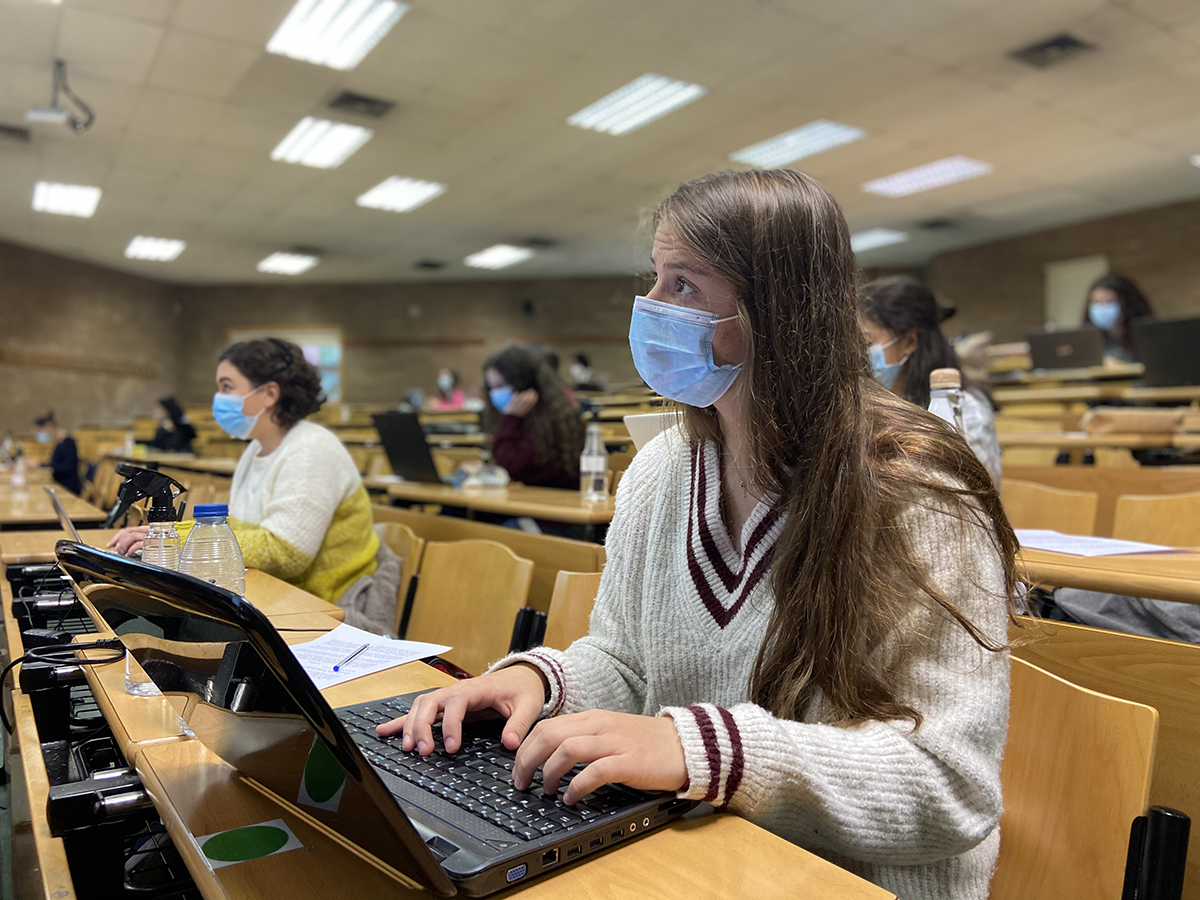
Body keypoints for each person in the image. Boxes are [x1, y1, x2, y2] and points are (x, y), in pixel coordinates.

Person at [379, 170, 1020, 900]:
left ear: (777, 308)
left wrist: (702, 749)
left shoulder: (921, 491)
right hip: (698, 849)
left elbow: (949, 786)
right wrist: (536, 684)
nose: (650, 308)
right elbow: (625, 659)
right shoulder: (663, 468)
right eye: (655, 279)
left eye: (682, 285)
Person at [109, 338, 398, 633]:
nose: (219, 398)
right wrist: (165, 534)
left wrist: (183, 544)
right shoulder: (255, 450)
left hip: (323, 609)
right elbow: (238, 527)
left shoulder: (312, 448)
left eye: (227, 387)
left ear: (269, 393)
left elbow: (286, 552)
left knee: (146, 628)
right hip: (275, 600)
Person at [859, 277, 1002, 483]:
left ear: (909, 341)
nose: (860, 354)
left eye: (866, 342)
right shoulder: (875, 404)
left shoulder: (964, 410)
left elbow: (974, 492)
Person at [483, 345, 585, 490]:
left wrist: (510, 418)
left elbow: (511, 465)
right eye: (491, 387)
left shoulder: (551, 420)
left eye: (501, 385)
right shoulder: (523, 418)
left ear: (523, 385)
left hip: (556, 502)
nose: (496, 393)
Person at [1083, 273, 1154, 363]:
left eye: (1109, 301)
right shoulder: (1088, 342)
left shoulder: (1148, 337)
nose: (1102, 308)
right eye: (1096, 302)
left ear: (1126, 303)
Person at [33, 412, 82, 494]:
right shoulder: (58, 443)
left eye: (38, 431)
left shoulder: (68, 442)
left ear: (48, 426)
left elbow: (66, 467)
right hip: (58, 484)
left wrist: (39, 465)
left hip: (67, 488)